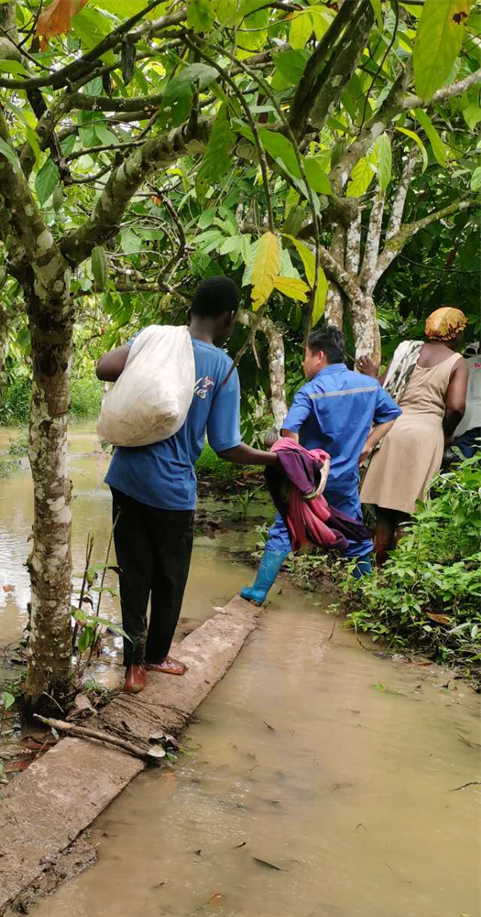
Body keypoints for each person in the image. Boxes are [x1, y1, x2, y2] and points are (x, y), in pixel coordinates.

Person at [96, 275, 277, 695]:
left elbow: (104, 367)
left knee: (133, 574)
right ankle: (156, 657)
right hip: (171, 492)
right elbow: (226, 446)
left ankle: (132, 668)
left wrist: (143, 346)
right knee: (169, 578)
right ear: (228, 318)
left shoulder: (156, 339)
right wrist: (274, 458)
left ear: (190, 310)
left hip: (125, 478)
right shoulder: (222, 367)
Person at [241, 324, 401, 604]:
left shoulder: (311, 391)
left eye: (306, 355)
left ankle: (258, 591)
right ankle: (367, 600)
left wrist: (296, 462)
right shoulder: (368, 385)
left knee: (284, 528)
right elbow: (390, 414)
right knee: (355, 534)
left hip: (311, 480)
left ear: (320, 356)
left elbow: (289, 430)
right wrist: (368, 444)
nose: (304, 363)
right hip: (345, 478)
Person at [358, 308, 468, 565]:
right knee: (408, 513)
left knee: (384, 510)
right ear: (455, 333)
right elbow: (456, 407)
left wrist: (373, 376)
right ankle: (401, 576)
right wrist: (447, 434)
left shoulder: (406, 350)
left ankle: (377, 572)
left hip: (391, 430)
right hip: (424, 436)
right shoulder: (457, 362)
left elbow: (385, 389)